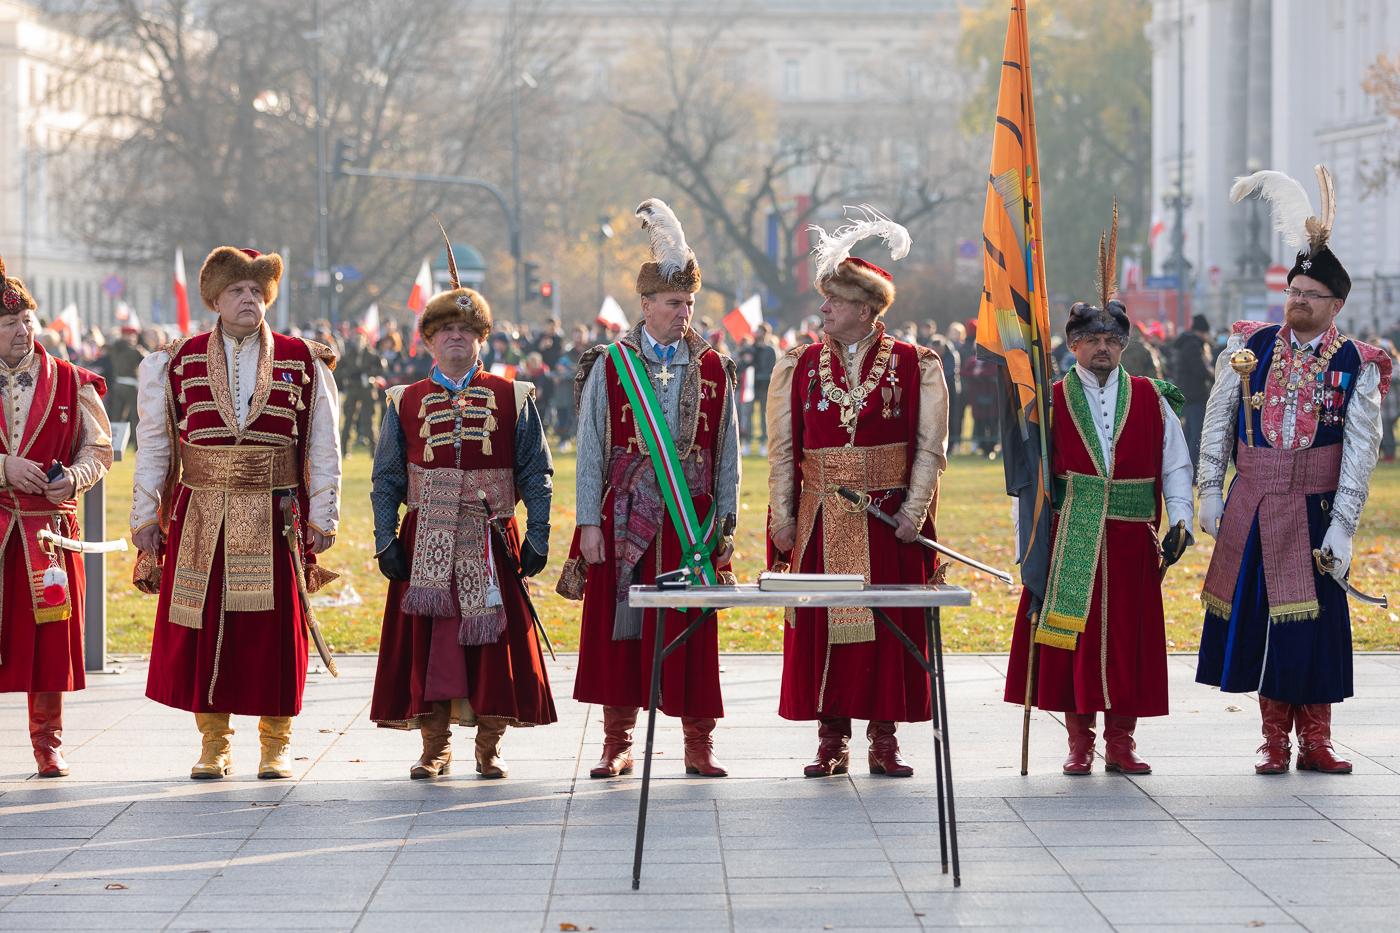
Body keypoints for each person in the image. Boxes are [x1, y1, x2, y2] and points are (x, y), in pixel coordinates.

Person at [1196, 166, 1392, 775]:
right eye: (1293, 290)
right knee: (1263, 623)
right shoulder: (1248, 346)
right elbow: (1219, 420)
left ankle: (1318, 740)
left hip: (1316, 508)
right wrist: (1209, 488)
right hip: (1254, 502)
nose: (1298, 300)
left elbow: (1362, 447)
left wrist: (1346, 526)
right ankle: (1274, 742)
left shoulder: (1358, 362)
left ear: (1336, 305)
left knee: (1316, 627)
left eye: (1311, 294)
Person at [130, 247, 342, 780]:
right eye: (236, 290)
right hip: (201, 514)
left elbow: (325, 443)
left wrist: (324, 514)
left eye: (256, 291)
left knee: (275, 635)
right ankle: (214, 744)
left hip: (276, 513)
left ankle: (276, 744)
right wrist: (146, 516)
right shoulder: (174, 361)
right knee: (202, 630)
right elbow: (154, 444)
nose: (248, 299)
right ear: (215, 300)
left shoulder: (304, 358)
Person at [767, 213, 948, 778]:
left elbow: (930, 448)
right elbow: (782, 451)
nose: (824, 310)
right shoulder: (797, 364)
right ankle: (831, 740)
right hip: (822, 517)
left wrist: (914, 512)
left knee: (888, 630)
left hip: (887, 518)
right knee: (825, 629)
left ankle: (884, 740)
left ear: (866, 309)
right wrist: (783, 519)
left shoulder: (917, 364)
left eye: (835, 302)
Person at [369, 240, 556, 779]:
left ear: (481, 339)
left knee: (494, 647)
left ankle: (489, 746)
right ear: (428, 340)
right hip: (424, 538)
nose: (457, 337)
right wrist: (385, 539)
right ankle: (435, 747)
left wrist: (539, 535)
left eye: (467, 331)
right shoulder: (403, 400)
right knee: (429, 645)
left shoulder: (513, 396)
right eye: (446, 330)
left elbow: (536, 473)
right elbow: (386, 477)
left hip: (491, 537)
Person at [567, 198, 739, 779]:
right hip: (624, 519)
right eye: (672, 303)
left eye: (689, 303)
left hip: (692, 523)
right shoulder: (610, 363)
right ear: (645, 305)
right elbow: (591, 450)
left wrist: (726, 528)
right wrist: (587, 522)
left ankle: (698, 743)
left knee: (693, 631)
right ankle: (617, 742)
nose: (683, 313)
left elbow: (727, 455)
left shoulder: (714, 367)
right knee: (621, 635)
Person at [1002, 294, 1195, 775]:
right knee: (1073, 639)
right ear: (1072, 345)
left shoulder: (1152, 397)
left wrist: (1181, 519)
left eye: (1111, 339)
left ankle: (1121, 742)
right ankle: (1079, 743)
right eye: (1091, 339)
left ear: (1125, 344)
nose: (1102, 347)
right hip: (1072, 532)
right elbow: (1029, 481)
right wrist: (1028, 545)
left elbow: (1175, 465)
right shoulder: (1048, 401)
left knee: (1128, 639)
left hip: (1132, 536)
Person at [0, 260, 113, 778]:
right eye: (9, 324)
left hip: (48, 535)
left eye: (27, 320)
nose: (22, 331)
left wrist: (75, 477)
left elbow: (99, 449)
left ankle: (48, 743)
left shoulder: (69, 379)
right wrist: (4, 467)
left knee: (48, 645)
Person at [1172, 314, 1216, 475]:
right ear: (1203, 331)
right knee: (1196, 436)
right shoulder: (1193, 345)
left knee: (1188, 435)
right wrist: (1214, 374)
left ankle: (1186, 472)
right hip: (1196, 396)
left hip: (1186, 395)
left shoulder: (1185, 343)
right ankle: (1193, 473)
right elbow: (1200, 370)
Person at [339, 331, 384, 454]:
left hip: (367, 389)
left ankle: (374, 451)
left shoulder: (372, 354)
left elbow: (382, 369)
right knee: (348, 419)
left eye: (361, 339)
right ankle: (345, 450)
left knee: (369, 420)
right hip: (353, 388)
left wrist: (368, 375)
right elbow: (337, 369)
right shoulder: (349, 354)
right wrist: (349, 375)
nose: (359, 343)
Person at [750, 323, 778, 456]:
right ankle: (747, 440)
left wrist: (761, 374)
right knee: (748, 413)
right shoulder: (752, 348)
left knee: (764, 414)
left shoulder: (771, 350)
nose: (757, 334)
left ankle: (763, 442)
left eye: (760, 331)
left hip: (765, 386)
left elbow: (772, 367)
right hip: (751, 386)